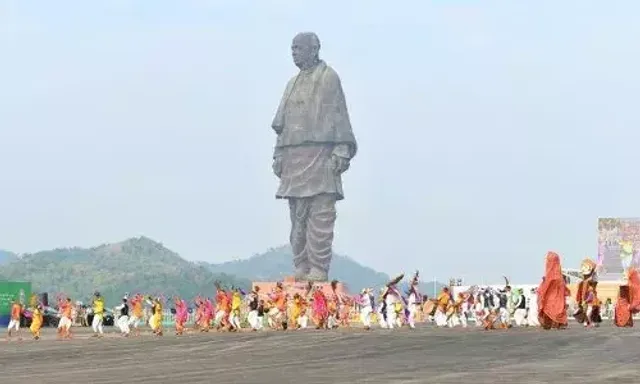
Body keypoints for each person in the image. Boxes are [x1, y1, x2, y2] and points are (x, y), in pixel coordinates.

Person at [271, 32, 358, 282]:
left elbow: (339, 115)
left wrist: (341, 149)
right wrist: (278, 155)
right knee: (297, 218)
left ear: (314, 49)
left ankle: (319, 267)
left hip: (320, 156)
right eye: (292, 48)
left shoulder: (328, 78)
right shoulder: (292, 83)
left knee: (320, 215)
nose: (294, 52)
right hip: (293, 157)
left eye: (298, 48)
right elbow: (281, 126)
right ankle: (301, 264)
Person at [537, 252, 569, 329]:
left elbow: (543, 288)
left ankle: (551, 323)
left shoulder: (550, 275)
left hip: (551, 297)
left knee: (550, 308)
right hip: (558, 298)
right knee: (557, 308)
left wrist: (541, 295)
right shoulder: (559, 276)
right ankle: (557, 323)